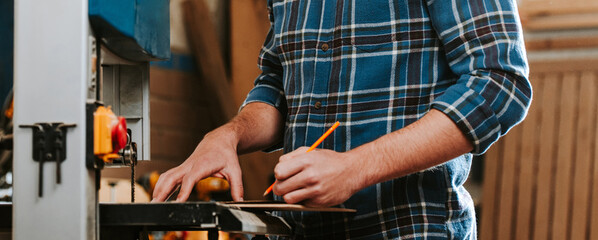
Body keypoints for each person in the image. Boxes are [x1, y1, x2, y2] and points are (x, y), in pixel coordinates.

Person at [152, 0, 532, 238]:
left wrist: (356, 168)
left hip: (410, 230)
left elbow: (500, 84)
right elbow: (278, 88)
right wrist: (229, 135)